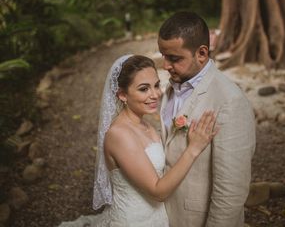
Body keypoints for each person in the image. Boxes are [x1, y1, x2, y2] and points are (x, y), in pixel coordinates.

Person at [59, 54, 218, 227]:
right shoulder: (120, 135)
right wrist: (193, 148)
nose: (155, 94)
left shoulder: (145, 124)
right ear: (122, 95)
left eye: (156, 85)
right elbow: (158, 192)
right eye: (144, 89)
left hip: (157, 218)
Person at [158, 11, 256, 227]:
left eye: (174, 58)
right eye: (163, 56)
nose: (165, 65)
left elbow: (231, 191)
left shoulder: (230, 101)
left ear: (201, 53)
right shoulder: (169, 88)